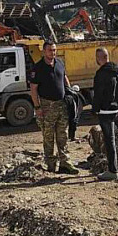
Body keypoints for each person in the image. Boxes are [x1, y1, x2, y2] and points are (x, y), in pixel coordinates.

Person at [30, 41, 79, 175]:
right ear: (44, 51)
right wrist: (37, 107)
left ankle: (65, 163)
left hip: (61, 105)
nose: (53, 52)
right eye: (50, 50)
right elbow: (33, 89)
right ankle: (50, 165)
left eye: (54, 50)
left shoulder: (59, 63)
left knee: (63, 135)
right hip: (47, 107)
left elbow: (64, 77)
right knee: (48, 136)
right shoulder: (38, 68)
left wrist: (69, 92)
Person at [92, 47, 118, 181]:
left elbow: (98, 95)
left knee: (110, 141)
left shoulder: (100, 74)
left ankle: (113, 171)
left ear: (98, 58)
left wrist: (94, 110)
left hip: (105, 111)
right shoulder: (117, 70)